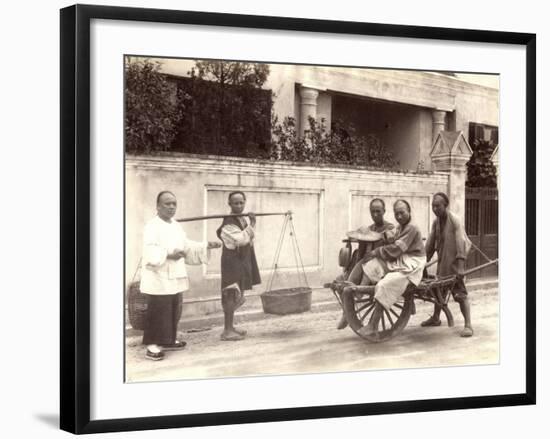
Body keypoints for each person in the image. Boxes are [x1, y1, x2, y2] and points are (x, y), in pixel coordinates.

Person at [140, 191, 221, 361]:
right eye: (167, 204)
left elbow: (186, 244)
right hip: (158, 275)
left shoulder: (176, 225)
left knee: (172, 308)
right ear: (158, 206)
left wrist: (206, 245)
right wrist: (169, 254)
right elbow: (149, 250)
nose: (171, 207)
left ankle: (168, 340)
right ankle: (152, 345)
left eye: (174, 204)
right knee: (158, 309)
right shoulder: (152, 226)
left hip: (175, 273)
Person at [355, 199, 427, 337]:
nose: (399, 216)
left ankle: (373, 325)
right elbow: (393, 241)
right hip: (402, 259)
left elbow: (396, 248)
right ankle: (360, 291)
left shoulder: (412, 228)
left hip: (413, 264)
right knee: (372, 264)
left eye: (402, 213)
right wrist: (385, 237)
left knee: (385, 283)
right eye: (396, 214)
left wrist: (377, 251)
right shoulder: (400, 227)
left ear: (409, 211)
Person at [336, 198, 395, 329]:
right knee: (342, 281)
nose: (375, 215)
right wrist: (352, 268)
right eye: (373, 212)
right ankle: (347, 312)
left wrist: (383, 242)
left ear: (384, 211)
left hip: (383, 266)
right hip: (367, 263)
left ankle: (351, 303)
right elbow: (361, 253)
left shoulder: (390, 228)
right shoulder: (368, 230)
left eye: (378, 211)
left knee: (357, 279)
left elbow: (393, 250)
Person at [422, 192, 474, 337]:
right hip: (442, 263)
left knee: (460, 295)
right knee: (439, 292)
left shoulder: (454, 220)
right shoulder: (436, 222)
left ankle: (468, 325)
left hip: (454, 265)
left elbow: (461, 243)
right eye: (433, 206)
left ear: (445, 206)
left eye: (438, 206)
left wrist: (461, 266)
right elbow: (430, 245)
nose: (435, 209)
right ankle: (436, 318)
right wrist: (422, 262)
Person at [217, 191, 261, 341]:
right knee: (230, 293)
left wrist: (250, 227)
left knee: (237, 293)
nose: (239, 205)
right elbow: (240, 240)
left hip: (240, 261)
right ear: (229, 204)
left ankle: (231, 326)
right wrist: (253, 224)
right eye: (235, 203)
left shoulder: (241, 219)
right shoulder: (229, 221)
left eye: (241, 202)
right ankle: (227, 330)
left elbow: (249, 238)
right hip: (231, 263)